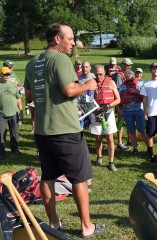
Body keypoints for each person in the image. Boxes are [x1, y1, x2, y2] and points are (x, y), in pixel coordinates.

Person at [24, 23, 106, 238]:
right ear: (57, 39)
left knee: (48, 177)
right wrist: (88, 86)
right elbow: (70, 89)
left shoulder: (33, 62)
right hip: (65, 130)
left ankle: (54, 223)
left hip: (43, 130)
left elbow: (29, 94)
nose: (73, 42)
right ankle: (87, 227)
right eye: (70, 38)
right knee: (79, 178)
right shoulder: (61, 59)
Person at [89, 65, 120, 171]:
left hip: (109, 113)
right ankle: (99, 157)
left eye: (101, 74)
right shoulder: (91, 83)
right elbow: (88, 100)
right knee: (98, 137)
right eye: (96, 74)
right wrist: (95, 109)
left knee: (110, 137)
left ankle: (111, 162)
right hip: (96, 113)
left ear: (104, 73)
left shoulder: (111, 82)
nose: (99, 77)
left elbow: (118, 99)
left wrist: (109, 105)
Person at [118, 70, 149, 155]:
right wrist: (119, 110)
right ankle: (135, 149)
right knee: (131, 132)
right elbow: (117, 98)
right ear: (125, 79)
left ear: (134, 77)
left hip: (139, 111)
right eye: (128, 80)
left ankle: (149, 148)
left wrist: (137, 91)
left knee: (142, 130)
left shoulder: (140, 84)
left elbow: (146, 97)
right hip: (127, 112)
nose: (130, 82)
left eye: (131, 80)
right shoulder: (122, 86)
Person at [0, 67, 22, 159]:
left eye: (8, 74)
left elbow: (18, 98)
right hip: (1, 114)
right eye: (5, 74)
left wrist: (20, 110)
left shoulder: (13, 84)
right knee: (1, 134)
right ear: (0, 74)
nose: (7, 76)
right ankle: (1, 152)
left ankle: (15, 149)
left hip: (14, 112)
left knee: (15, 132)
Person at [114, 58, 133, 151]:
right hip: (121, 104)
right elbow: (117, 92)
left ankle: (129, 140)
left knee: (129, 121)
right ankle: (119, 143)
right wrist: (118, 107)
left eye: (130, 65)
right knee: (121, 122)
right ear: (123, 65)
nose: (129, 67)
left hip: (128, 103)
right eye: (128, 65)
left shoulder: (127, 74)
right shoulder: (118, 76)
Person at [3, 60, 23, 124]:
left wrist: (18, 85)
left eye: (12, 67)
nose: (12, 68)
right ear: (5, 67)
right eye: (10, 67)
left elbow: (19, 85)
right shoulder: (2, 75)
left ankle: (20, 116)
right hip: (6, 97)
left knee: (19, 100)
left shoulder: (13, 74)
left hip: (15, 96)